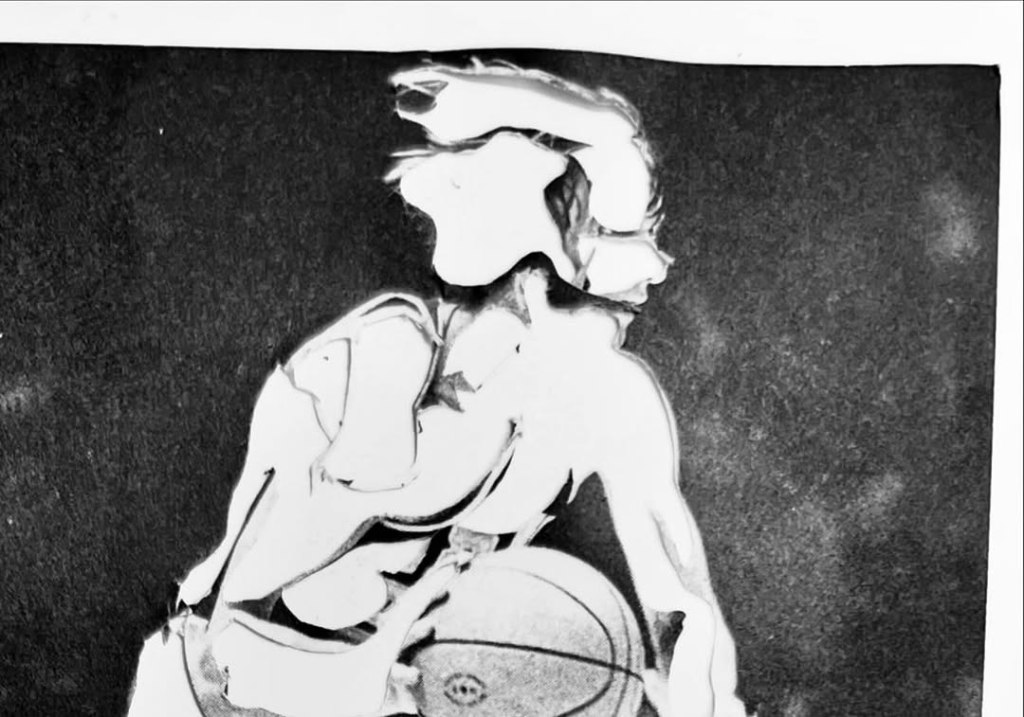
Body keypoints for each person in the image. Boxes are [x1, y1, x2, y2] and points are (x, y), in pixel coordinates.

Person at [127, 60, 747, 717]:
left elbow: (683, 610)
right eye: (591, 300)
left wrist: (700, 704)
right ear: (527, 281)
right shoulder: (373, 377)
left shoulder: (612, 396)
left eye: (622, 302)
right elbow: (220, 652)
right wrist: (381, 674)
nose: (619, 321)